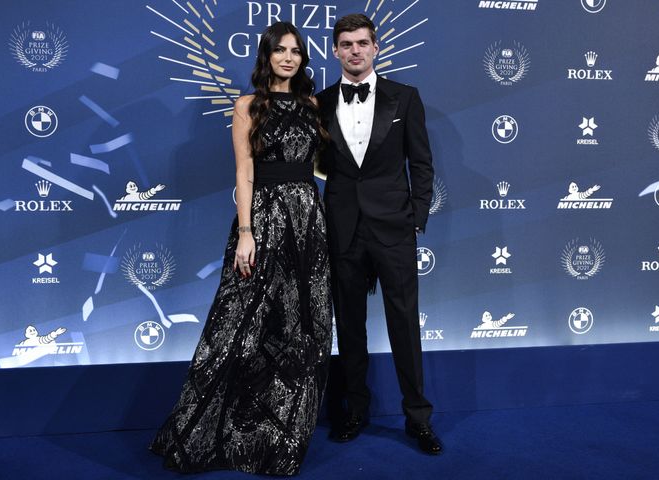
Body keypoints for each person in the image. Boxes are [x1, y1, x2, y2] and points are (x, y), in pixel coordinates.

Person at [150, 22, 332, 475]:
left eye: (296, 51)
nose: (288, 58)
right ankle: (208, 432)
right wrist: (246, 232)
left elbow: (320, 167)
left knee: (300, 326)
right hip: (264, 219)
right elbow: (244, 172)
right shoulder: (247, 105)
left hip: (308, 220)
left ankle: (280, 438)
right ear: (266, 56)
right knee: (237, 326)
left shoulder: (313, 105)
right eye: (280, 50)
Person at [316, 14, 441, 454]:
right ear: (335, 50)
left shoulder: (405, 97)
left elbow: (421, 163)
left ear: (375, 48)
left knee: (404, 324)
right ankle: (355, 410)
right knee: (349, 326)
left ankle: (418, 418)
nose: (355, 50)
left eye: (362, 43)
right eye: (346, 44)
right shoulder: (319, 102)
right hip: (342, 228)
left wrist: (415, 217)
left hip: (393, 228)